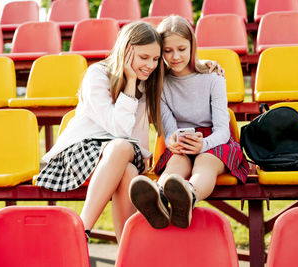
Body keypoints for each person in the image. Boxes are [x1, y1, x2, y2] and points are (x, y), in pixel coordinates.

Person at [35, 21, 165, 242]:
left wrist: (209, 65)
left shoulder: (148, 82)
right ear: (126, 51)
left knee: (128, 168)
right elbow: (119, 129)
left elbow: (185, 64)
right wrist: (130, 82)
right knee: (126, 163)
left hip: (127, 153)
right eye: (144, 57)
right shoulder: (97, 75)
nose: (151, 65)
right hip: (83, 150)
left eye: (155, 59)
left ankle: (101, 241)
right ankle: (94, 233)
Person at [129, 15, 249, 229]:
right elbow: (168, 128)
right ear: (160, 51)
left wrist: (204, 144)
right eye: (167, 51)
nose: (175, 56)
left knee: (205, 164)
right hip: (182, 139)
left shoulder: (214, 78)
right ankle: (159, 196)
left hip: (214, 140)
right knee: (176, 164)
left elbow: (222, 129)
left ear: (192, 46)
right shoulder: (160, 84)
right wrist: (172, 140)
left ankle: (189, 196)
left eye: (182, 49)